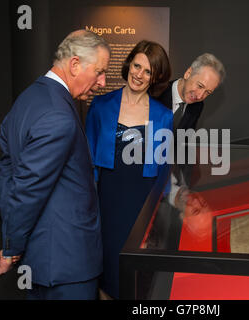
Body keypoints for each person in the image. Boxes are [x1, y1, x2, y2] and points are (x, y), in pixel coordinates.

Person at [0, 30, 110, 300]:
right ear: (75, 65)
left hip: (39, 256)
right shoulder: (59, 115)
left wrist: (12, 241)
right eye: (100, 71)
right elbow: (29, 190)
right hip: (67, 263)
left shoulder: (28, 99)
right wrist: (11, 249)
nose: (102, 82)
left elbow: (8, 176)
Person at [85, 40, 172, 299]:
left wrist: (156, 223)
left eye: (148, 71)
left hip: (141, 205)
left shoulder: (163, 115)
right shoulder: (100, 106)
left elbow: (163, 173)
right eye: (137, 66)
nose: (139, 74)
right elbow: (86, 163)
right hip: (108, 203)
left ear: (154, 78)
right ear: (128, 64)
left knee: (136, 280)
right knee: (108, 273)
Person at [157, 53, 226, 214]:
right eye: (200, 86)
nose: (200, 96)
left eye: (208, 92)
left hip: (167, 183)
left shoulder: (197, 106)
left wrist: (185, 187)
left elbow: (183, 144)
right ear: (188, 73)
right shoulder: (156, 94)